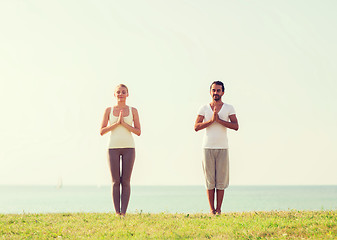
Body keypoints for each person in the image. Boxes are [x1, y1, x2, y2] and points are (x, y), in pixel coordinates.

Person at [194, 81, 239, 215]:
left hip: (223, 148)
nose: (216, 93)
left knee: (221, 180)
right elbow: (196, 127)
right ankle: (212, 210)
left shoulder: (229, 108)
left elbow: (236, 126)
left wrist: (219, 120)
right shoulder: (204, 108)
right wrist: (211, 120)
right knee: (209, 180)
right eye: (213, 90)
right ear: (210, 92)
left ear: (223, 92)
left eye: (218, 90)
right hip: (207, 147)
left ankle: (219, 209)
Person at [100, 84, 141, 216]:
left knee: (126, 181)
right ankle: (117, 212)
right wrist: (116, 123)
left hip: (129, 148)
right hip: (112, 148)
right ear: (114, 94)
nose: (121, 94)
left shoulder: (133, 110)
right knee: (115, 181)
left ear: (127, 94)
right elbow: (102, 131)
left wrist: (124, 124)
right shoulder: (108, 110)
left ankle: (123, 212)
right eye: (118, 92)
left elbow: (138, 131)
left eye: (123, 92)